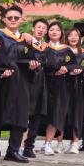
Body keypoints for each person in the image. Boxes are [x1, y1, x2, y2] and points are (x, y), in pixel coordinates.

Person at [0, 5, 35, 166]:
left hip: (21, 82)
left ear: (21, 19)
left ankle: (13, 151)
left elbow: (32, 59)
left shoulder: (27, 39)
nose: (13, 20)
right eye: (10, 18)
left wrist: (33, 67)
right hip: (1, 81)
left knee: (19, 117)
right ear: (4, 20)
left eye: (16, 18)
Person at [42, 22, 73, 155]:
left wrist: (67, 69)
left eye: (57, 30)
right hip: (43, 84)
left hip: (60, 86)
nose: (54, 32)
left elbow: (73, 65)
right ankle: (26, 146)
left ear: (61, 33)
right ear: (47, 32)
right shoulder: (42, 47)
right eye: (51, 29)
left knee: (54, 114)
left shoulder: (66, 50)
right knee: (38, 114)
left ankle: (48, 143)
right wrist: (55, 71)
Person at [21, 18, 49, 158]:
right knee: (22, 116)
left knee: (36, 117)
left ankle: (29, 147)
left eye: (43, 28)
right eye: (38, 27)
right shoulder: (25, 42)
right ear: (33, 29)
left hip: (41, 86)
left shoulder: (47, 48)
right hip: (26, 84)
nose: (40, 30)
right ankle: (17, 146)